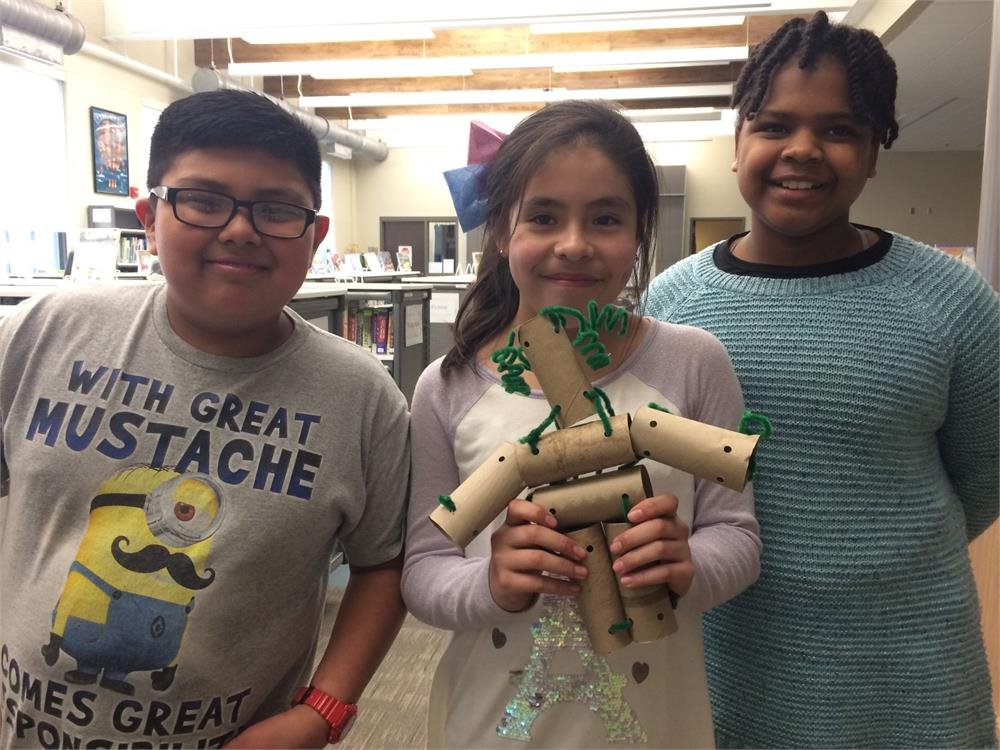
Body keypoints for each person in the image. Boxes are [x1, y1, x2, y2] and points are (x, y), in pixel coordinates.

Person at [0, 90, 409, 748]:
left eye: (276, 210)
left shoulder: (362, 398)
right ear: (150, 216)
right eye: (204, 200)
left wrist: (323, 711)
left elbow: (383, 565)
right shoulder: (43, 333)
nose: (240, 229)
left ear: (316, 235)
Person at [644, 11, 999, 748]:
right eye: (773, 124)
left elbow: (985, 474)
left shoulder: (953, 303)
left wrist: (870, 559)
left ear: (875, 153)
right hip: (725, 658)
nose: (801, 150)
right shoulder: (671, 304)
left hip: (909, 673)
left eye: (839, 130)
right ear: (739, 139)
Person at [401, 100, 762, 749]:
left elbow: (738, 537)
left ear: (639, 229)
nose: (574, 243)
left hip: (658, 726)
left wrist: (688, 565)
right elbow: (423, 572)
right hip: (494, 727)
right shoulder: (447, 388)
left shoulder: (693, 363)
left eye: (605, 218)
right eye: (543, 216)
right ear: (504, 230)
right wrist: (491, 584)